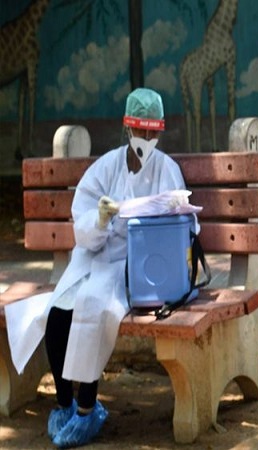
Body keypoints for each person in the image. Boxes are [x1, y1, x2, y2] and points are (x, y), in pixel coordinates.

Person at [5, 87, 188, 448]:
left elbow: (182, 226)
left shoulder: (167, 170)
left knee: (94, 308)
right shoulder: (105, 167)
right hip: (93, 258)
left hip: (135, 266)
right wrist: (100, 220)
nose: (146, 138)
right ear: (127, 127)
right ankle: (64, 404)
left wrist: (162, 216)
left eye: (153, 132)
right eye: (141, 130)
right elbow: (83, 223)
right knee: (58, 312)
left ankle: (88, 409)